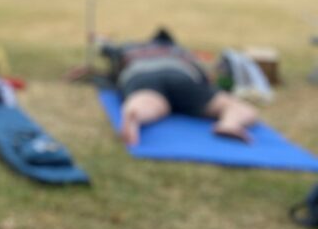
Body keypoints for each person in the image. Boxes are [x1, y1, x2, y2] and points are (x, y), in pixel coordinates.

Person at [101, 28, 258, 146]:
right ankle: (230, 123)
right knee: (232, 105)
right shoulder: (179, 50)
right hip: (179, 73)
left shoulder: (131, 48)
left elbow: (109, 55)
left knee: (150, 102)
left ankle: (135, 114)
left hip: (140, 74)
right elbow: (205, 76)